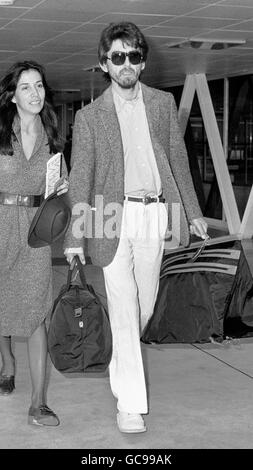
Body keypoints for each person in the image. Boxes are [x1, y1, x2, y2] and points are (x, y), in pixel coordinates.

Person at [64, 22, 208, 434]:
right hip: (111, 215)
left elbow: (178, 160)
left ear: (142, 62)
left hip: (154, 213)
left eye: (133, 56)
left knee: (142, 307)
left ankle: (118, 355)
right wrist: (76, 235)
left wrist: (193, 211)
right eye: (117, 57)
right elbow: (82, 178)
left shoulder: (163, 104)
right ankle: (130, 405)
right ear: (104, 63)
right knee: (125, 308)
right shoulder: (90, 117)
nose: (125, 64)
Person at [0, 60, 69, 426]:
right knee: (2, 299)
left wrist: (61, 189)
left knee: (37, 309)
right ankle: (7, 361)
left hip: (35, 232)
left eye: (39, 85)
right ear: (13, 96)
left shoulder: (52, 136)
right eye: (26, 87)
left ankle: (39, 403)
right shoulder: (0, 132)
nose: (35, 93)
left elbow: (62, 185)